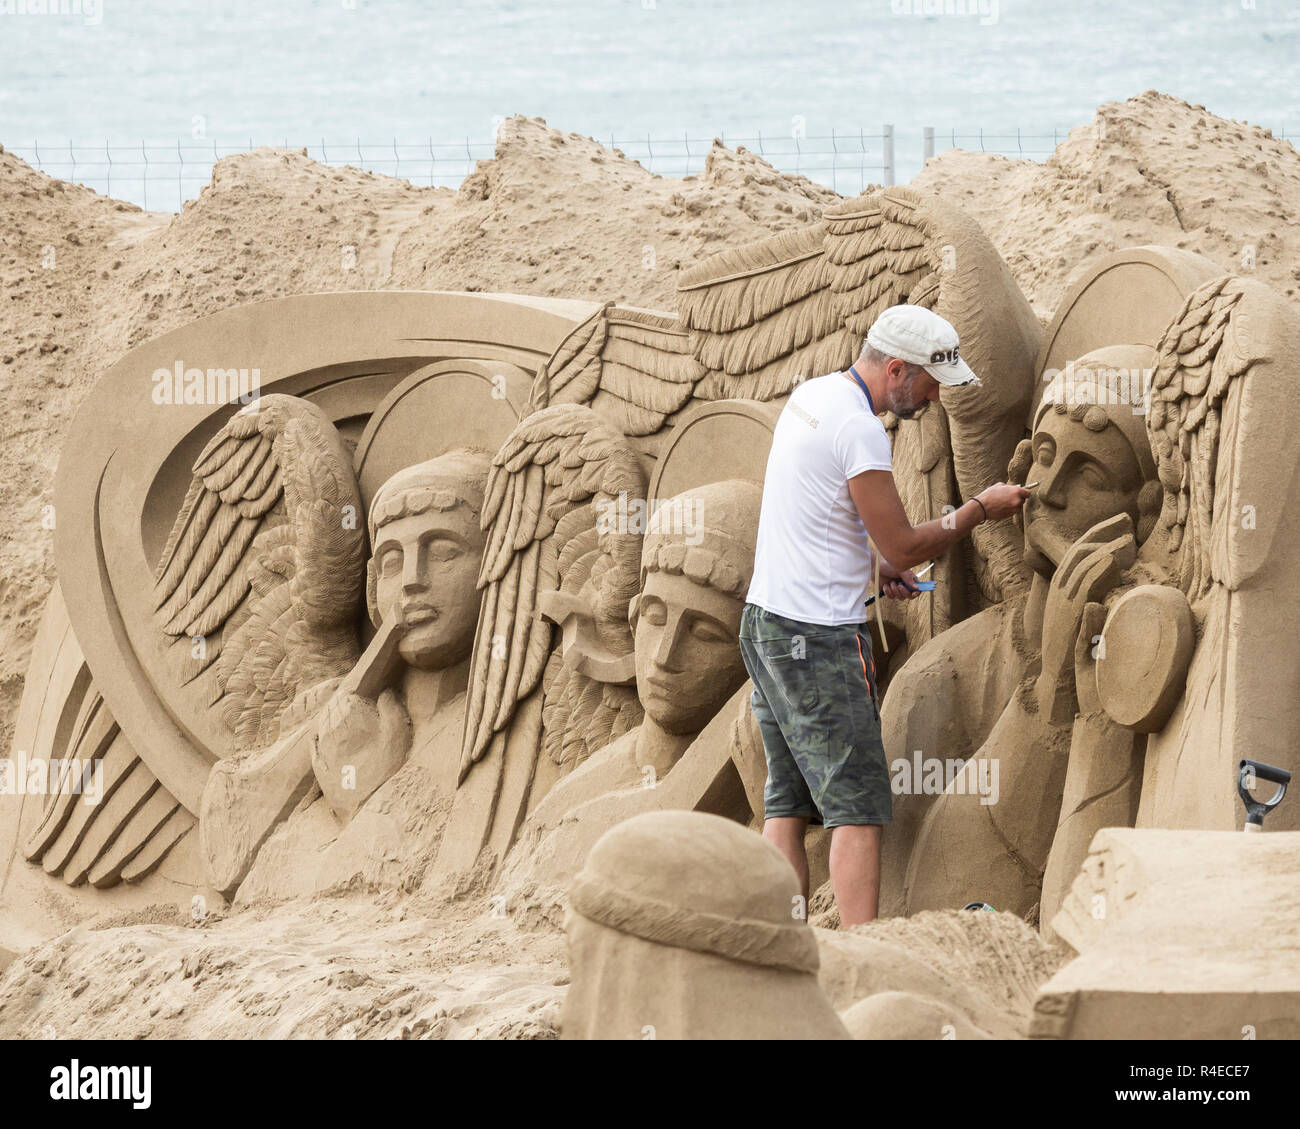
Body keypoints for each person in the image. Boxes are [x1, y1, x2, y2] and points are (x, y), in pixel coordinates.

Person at [739, 304, 1029, 926]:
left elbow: (820, 512)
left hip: (767, 622)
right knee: (858, 809)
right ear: (896, 368)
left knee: (786, 804)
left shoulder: (813, 396)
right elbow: (906, 543)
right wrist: (979, 507)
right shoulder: (861, 430)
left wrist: (873, 568)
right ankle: (865, 961)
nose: (931, 400)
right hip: (814, 641)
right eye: (928, 384)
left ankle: (784, 949)